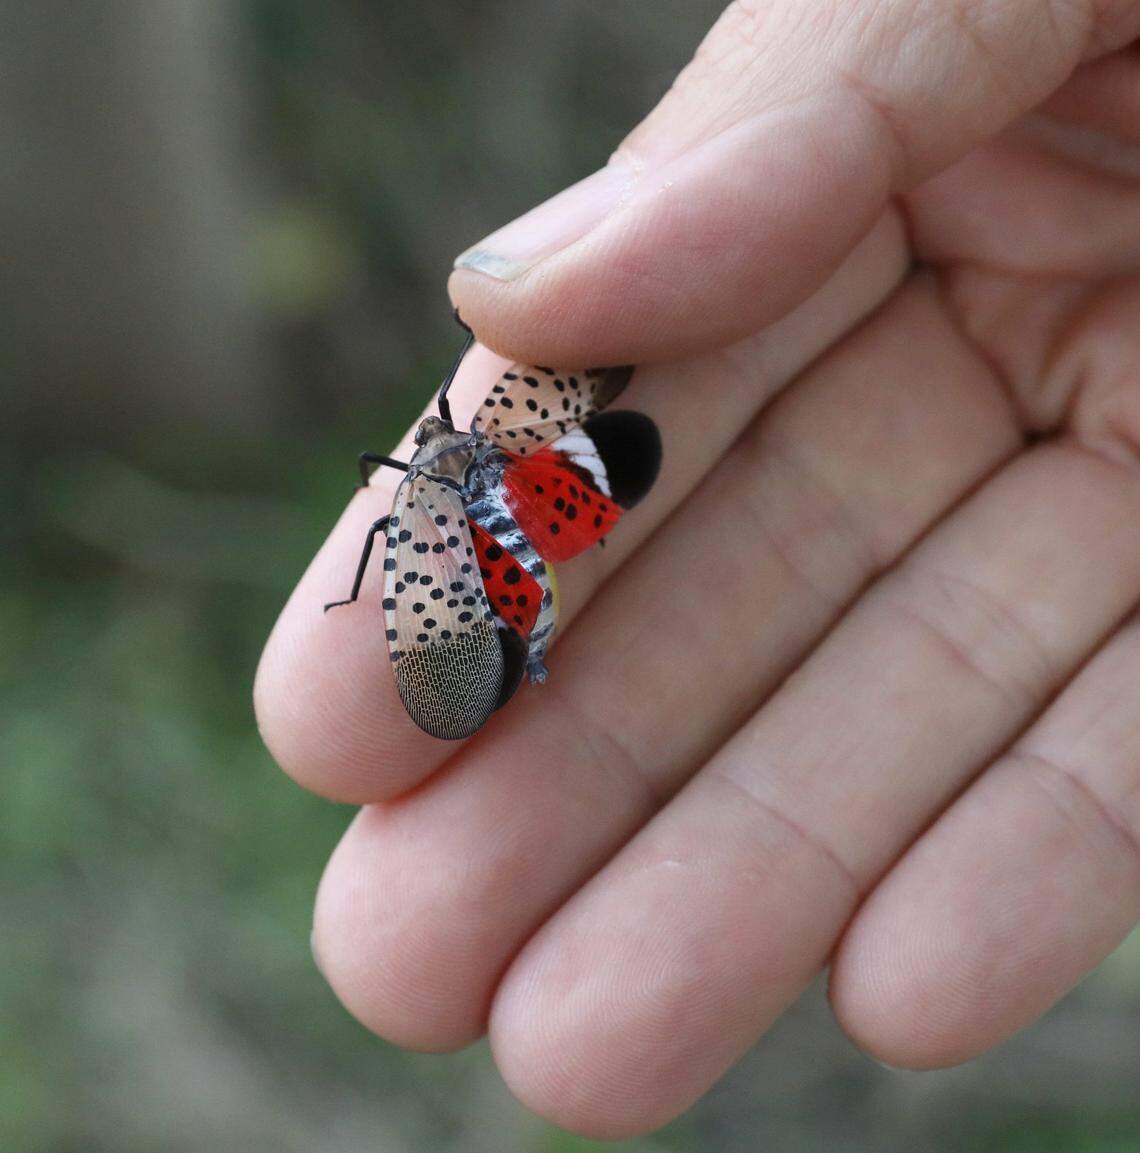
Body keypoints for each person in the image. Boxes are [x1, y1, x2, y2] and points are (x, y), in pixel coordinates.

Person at [255, 2, 1140, 1138]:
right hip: (498, 531)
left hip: (503, 525)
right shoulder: (454, 492)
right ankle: (502, 644)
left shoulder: (441, 487)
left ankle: (506, 639)